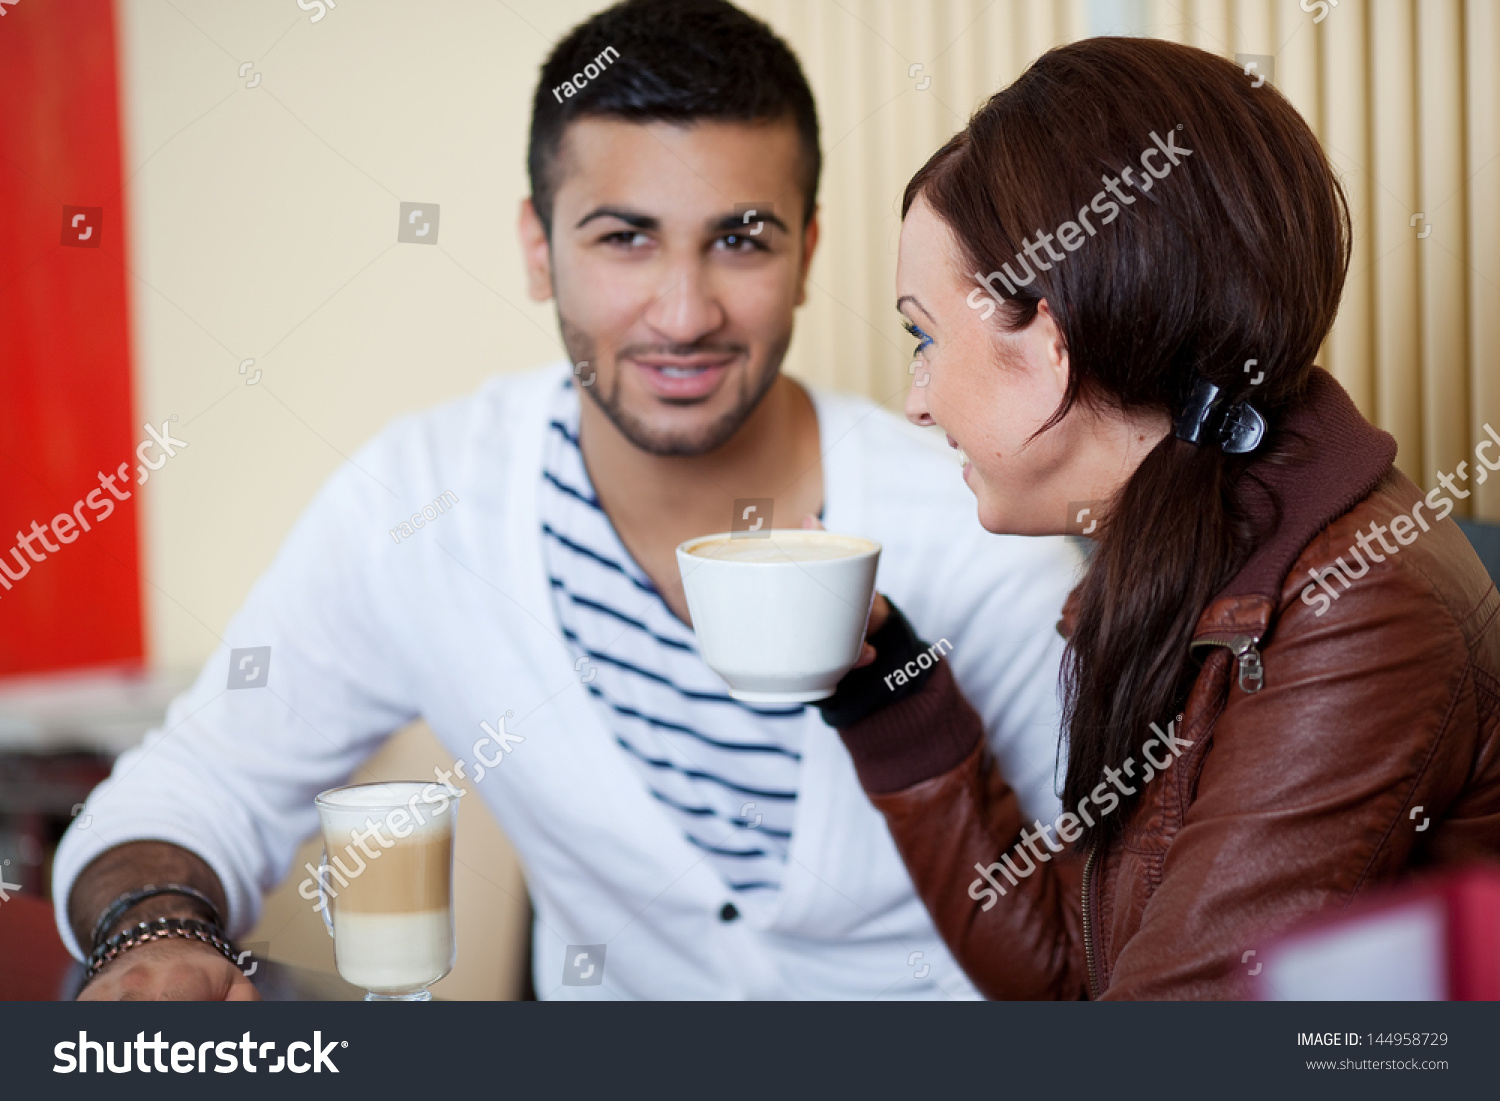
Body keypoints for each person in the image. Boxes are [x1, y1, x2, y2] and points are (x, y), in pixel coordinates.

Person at [54, 0, 1080, 1000]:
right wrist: (158, 932)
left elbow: (1096, 924)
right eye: (624, 238)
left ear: (807, 253)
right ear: (538, 247)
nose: (684, 313)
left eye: (741, 239)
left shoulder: (978, 526)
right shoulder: (423, 503)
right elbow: (202, 782)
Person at [827, 36, 1500, 999]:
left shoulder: (1360, 614)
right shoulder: (1187, 544)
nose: (917, 400)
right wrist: (887, 692)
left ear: (1049, 343)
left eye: (924, 338)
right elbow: (1078, 965)